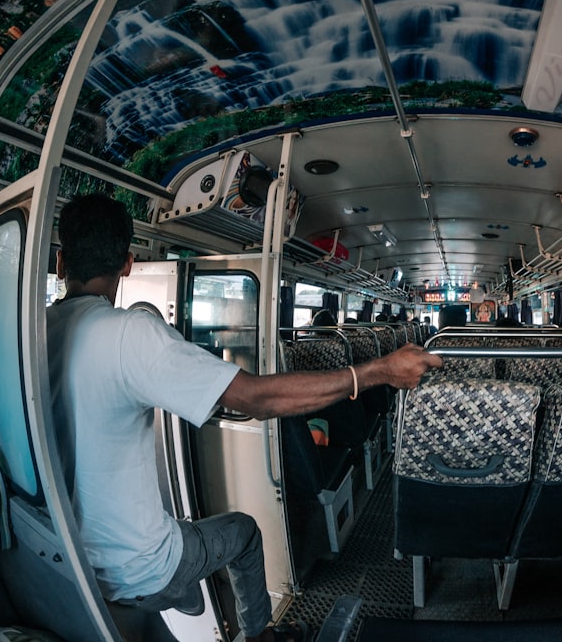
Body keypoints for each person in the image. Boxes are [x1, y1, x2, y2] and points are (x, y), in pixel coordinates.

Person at [47, 194, 442, 642]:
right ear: (129, 264)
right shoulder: (129, 334)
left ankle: (192, 596)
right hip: (138, 566)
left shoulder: (36, 331)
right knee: (244, 533)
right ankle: (259, 636)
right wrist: (378, 370)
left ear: (60, 263)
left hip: (67, 559)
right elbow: (253, 398)